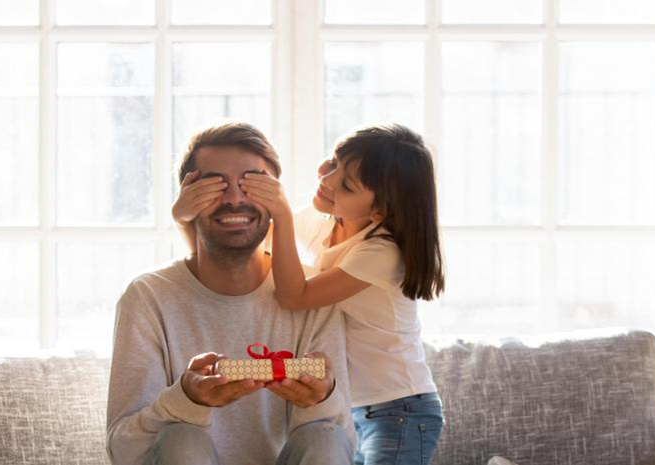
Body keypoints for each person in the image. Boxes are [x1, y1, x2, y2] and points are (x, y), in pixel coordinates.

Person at [174, 123, 446, 465]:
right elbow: (236, 248)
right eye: (332, 162)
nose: (328, 180)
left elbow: (294, 295)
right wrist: (183, 217)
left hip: (399, 408)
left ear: (380, 211)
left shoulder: (383, 252)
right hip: (353, 406)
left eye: (345, 185)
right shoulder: (328, 220)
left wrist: (282, 213)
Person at [106, 121, 355, 465]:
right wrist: (185, 401)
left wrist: (321, 397)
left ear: (277, 197)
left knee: (324, 437)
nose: (235, 199)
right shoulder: (148, 297)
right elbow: (122, 449)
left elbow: (341, 444)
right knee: (182, 437)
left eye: (253, 184)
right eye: (215, 184)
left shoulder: (313, 294)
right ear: (188, 197)